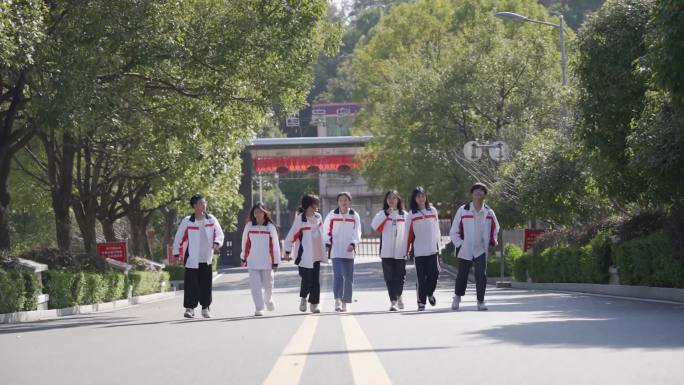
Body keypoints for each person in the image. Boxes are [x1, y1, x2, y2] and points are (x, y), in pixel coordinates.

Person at [449, 183, 500, 311]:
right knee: (462, 274)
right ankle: (457, 296)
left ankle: (480, 301)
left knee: (481, 274)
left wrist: (492, 242)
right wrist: (460, 244)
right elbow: (454, 230)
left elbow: (495, 228)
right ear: (471, 194)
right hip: (466, 248)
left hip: (480, 248)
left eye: (482, 190)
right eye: (476, 190)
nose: (479, 192)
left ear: (485, 195)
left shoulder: (489, 212)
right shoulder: (463, 210)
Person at [172, 194, 224, 319]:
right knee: (191, 285)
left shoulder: (211, 219)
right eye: (201, 203)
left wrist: (217, 243)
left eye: (204, 203)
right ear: (194, 205)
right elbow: (179, 237)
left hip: (206, 258)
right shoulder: (187, 221)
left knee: (206, 285)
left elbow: (220, 233)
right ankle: (190, 308)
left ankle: (205, 308)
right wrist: (176, 253)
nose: (203, 205)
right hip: (191, 258)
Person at [284, 194, 327, 314]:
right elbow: (291, 236)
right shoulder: (300, 220)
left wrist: (326, 244)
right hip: (304, 256)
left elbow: (322, 233)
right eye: (315, 204)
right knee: (307, 279)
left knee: (315, 281)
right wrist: (287, 251)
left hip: (316, 254)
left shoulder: (318, 217)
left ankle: (314, 305)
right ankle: (303, 297)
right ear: (308, 205)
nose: (317, 207)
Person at [240, 202, 281, 317]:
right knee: (255, 287)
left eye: (260, 211)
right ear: (253, 213)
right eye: (256, 211)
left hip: (267, 262)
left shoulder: (270, 227)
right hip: (253, 261)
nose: (258, 214)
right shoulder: (249, 226)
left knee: (268, 286)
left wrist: (275, 261)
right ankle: (259, 308)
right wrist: (243, 257)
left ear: (264, 213)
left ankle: (268, 300)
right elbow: (245, 243)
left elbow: (275, 245)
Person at [324, 192, 362, 312]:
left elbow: (357, 231)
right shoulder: (332, 214)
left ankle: (346, 301)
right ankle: (338, 300)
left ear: (349, 201)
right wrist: (327, 242)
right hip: (336, 251)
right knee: (338, 275)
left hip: (349, 252)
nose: (343, 202)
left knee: (348, 277)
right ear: (338, 202)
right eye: (341, 200)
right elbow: (326, 230)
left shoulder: (354, 215)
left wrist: (353, 243)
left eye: (346, 200)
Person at [371, 190, 408, 311]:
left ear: (398, 200)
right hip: (386, 251)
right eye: (389, 198)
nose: (391, 200)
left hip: (400, 251)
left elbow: (410, 232)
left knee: (400, 276)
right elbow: (374, 226)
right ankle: (393, 301)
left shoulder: (405, 215)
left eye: (394, 198)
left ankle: (399, 295)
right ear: (386, 201)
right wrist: (385, 214)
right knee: (389, 277)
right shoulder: (382, 214)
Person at [405, 187, 441, 311]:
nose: (421, 198)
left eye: (423, 196)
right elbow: (407, 234)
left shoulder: (433, 210)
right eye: (418, 196)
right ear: (414, 199)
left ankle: (430, 293)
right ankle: (421, 302)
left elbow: (437, 230)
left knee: (434, 274)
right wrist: (406, 249)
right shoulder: (411, 214)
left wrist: (438, 245)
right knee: (421, 278)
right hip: (419, 251)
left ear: (426, 197)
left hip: (432, 250)